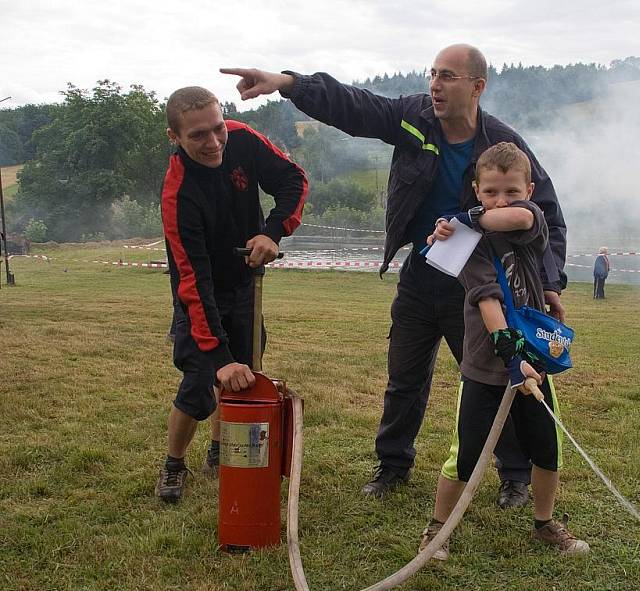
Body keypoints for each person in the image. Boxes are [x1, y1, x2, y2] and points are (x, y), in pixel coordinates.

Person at [221, 43, 568, 508]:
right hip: (421, 276)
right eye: (433, 74)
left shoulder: (502, 146)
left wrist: (548, 283)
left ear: (477, 87)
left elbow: (546, 211)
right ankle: (392, 465)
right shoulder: (414, 116)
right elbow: (356, 107)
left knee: (498, 378)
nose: (435, 85)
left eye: (448, 76)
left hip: (482, 285)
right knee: (404, 376)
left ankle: (515, 475)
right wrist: (289, 84)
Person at [418, 142, 588, 560]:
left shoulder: (531, 222)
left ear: (529, 189)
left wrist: (461, 218)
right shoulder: (469, 244)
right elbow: (486, 297)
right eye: (490, 191)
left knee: (547, 449)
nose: (501, 200)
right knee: (465, 454)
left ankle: (545, 524)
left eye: (512, 190)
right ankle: (437, 530)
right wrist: (510, 354)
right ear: (477, 188)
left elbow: (518, 215)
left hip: (537, 364)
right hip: (485, 364)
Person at [155, 86, 308, 502]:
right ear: (175, 137)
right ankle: (173, 465)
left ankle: (221, 449)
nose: (214, 142)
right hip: (200, 296)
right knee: (202, 381)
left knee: (244, 375)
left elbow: (294, 180)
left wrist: (272, 231)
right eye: (198, 135)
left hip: (246, 284)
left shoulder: (243, 139)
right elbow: (192, 279)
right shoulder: (179, 193)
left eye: (218, 128)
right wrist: (218, 358)